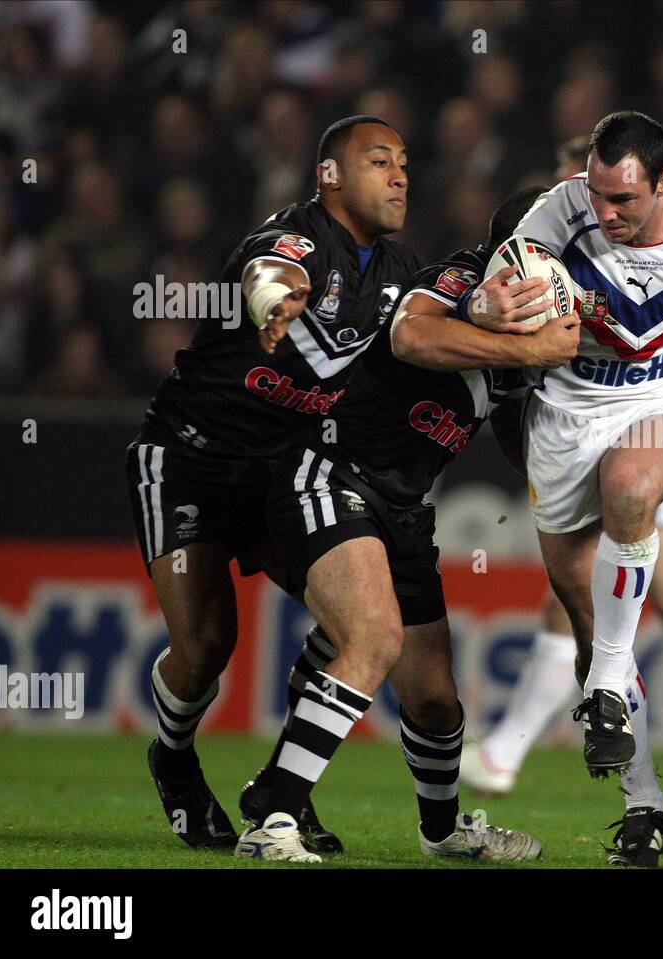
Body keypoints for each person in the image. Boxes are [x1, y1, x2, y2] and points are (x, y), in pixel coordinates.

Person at [235, 189, 580, 862]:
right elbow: (412, 336)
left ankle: (443, 829)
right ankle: (270, 816)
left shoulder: (534, 325)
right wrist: (527, 347)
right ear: (512, 254)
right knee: (374, 635)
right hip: (331, 468)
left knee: (435, 700)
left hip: (405, 503)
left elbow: (514, 426)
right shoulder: (454, 281)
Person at [462, 141, 663, 811]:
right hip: (601, 442)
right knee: (582, 608)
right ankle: (511, 752)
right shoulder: (561, 242)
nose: (573, 190)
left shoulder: (660, 238)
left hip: (651, 436)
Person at [127, 116, 416, 852]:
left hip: (279, 473)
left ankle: (284, 787)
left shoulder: (395, 275)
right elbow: (269, 272)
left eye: (404, 163)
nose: (399, 175)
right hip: (188, 457)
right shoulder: (296, 240)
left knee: (361, 622)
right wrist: (275, 300)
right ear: (330, 176)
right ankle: (175, 756)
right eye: (379, 161)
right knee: (205, 646)